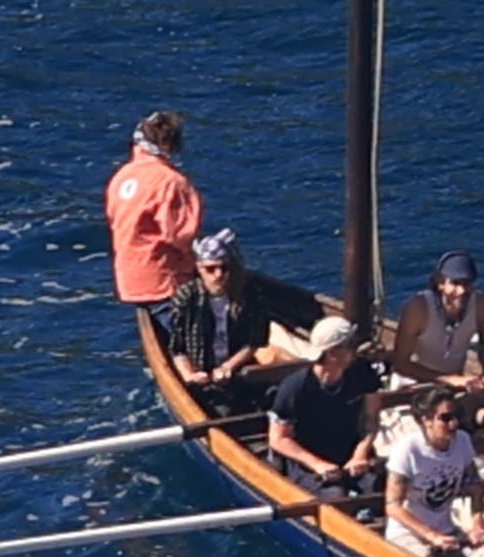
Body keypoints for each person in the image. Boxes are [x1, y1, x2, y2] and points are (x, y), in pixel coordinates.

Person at [166, 227, 326, 412]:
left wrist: (229, 366)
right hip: (204, 375)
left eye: (224, 268)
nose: (218, 275)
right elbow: (177, 348)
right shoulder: (186, 298)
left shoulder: (250, 296)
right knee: (223, 410)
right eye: (211, 269)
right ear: (200, 268)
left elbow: (255, 340)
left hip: (241, 370)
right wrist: (190, 375)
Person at [388, 250, 484, 436]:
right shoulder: (419, 309)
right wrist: (449, 379)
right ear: (441, 284)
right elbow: (401, 364)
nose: (461, 291)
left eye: (467, 284)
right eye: (455, 283)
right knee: (436, 432)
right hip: (415, 390)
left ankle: (480, 453)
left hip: (455, 391)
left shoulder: (481, 304)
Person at [106, 111, 204, 345]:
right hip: (164, 281)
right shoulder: (170, 182)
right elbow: (180, 235)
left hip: (130, 278)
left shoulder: (121, 177)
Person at [263, 315, 381, 489]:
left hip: (351, 456)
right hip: (308, 463)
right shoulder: (296, 386)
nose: (356, 349)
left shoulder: (363, 372)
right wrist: (317, 464)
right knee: (334, 495)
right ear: (332, 352)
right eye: (351, 345)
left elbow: (371, 418)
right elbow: (278, 438)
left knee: (381, 486)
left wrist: (360, 454)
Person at [383, 390, 484, 557]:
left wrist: (477, 523)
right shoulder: (407, 450)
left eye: (457, 416)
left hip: (445, 530)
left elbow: (475, 487)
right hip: (407, 533)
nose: (454, 424)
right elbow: (393, 506)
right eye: (446, 418)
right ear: (426, 420)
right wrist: (431, 536)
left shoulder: (462, 440)